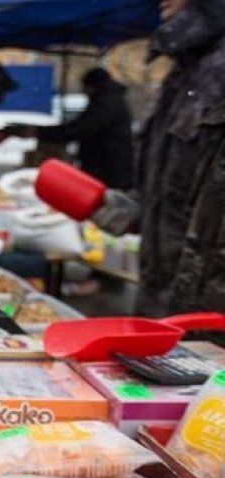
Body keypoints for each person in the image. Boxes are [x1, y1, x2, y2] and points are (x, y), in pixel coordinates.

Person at [64, 0, 225, 330]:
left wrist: (193, 329)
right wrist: (120, 207)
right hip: (163, 312)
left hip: (206, 324)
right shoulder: (186, 71)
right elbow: (175, 196)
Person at [9, 68, 134, 189]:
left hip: (107, 170)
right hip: (111, 168)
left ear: (91, 87)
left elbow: (78, 129)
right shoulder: (112, 101)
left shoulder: (106, 104)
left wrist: (39, 132)